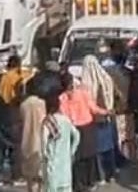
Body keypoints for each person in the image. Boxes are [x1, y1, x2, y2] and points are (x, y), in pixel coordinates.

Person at [57, 72, 107, 191]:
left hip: (72, 129)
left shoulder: (61, 98)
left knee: (76, 158)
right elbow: (94, 109)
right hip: (88, 128)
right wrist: (106, 112)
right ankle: (90, 182)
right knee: (89, 156)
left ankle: (78, 185)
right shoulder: (83, 93)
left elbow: (63, 116)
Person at [0, 54, 30, 185]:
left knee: (0, 148)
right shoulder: (19, 79)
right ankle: (16, 176)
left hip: (2, 115)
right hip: (14, 115)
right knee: (15, 147)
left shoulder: (0, 78)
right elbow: (20, 97)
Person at [81, 54, 119, 184]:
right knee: (109, 146)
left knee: (96, 149)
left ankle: (101, 176)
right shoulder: (106, 77)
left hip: (92, 119)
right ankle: (111, 174)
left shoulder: (85, 83)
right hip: (107, 116)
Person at [42, 92, 80, 192]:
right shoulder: (66, 119)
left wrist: (46, 155)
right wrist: (71, 151)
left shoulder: (48, 122)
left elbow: (44, 140)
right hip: (65, 165)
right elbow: (76, 135)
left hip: (53, 164)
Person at [20, 89, 47, 192]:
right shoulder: (42, 103)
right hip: (40, 140)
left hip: (27, 142)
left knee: (30, 178)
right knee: (41, 177)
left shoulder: (24, 105)